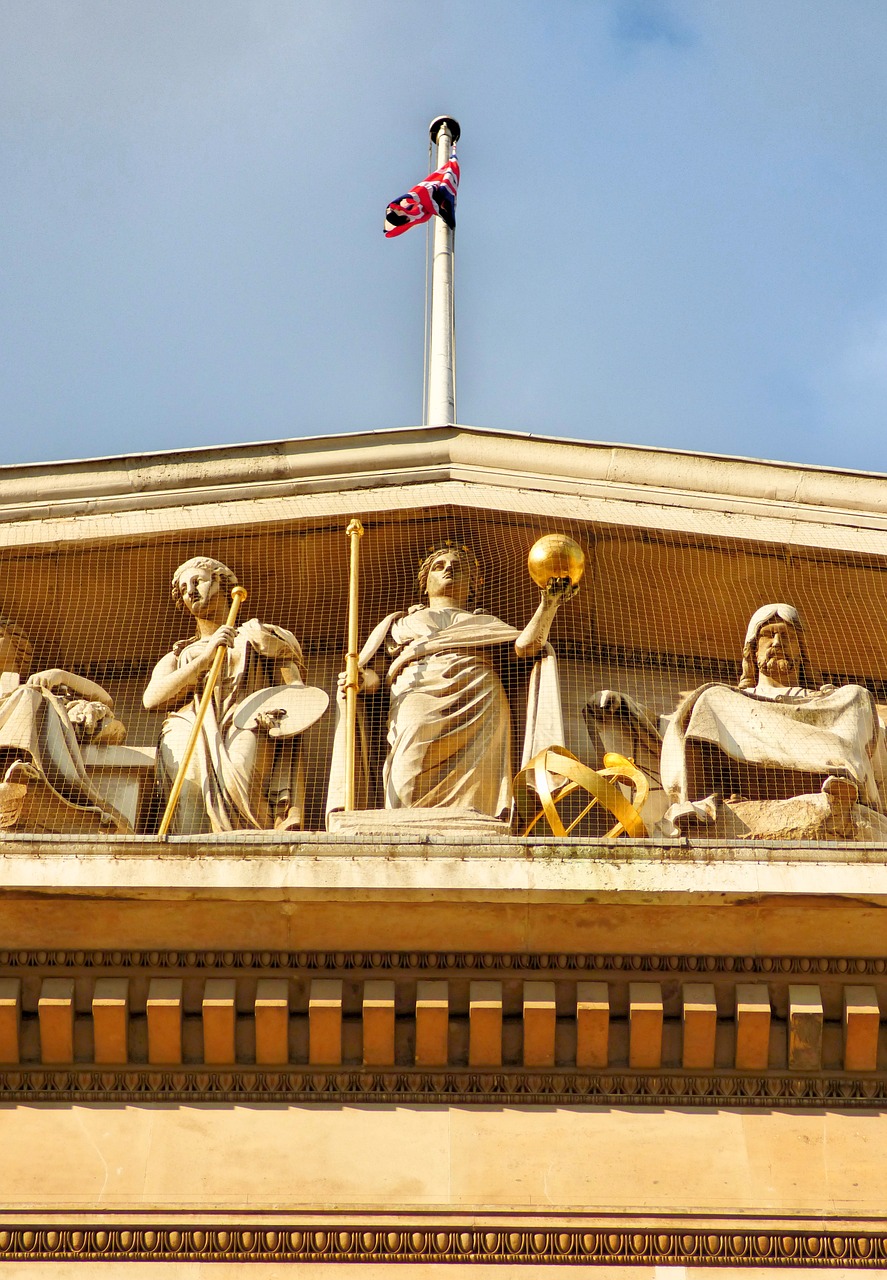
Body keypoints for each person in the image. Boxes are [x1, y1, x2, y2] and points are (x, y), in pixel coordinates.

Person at [326, 542, 574, 821]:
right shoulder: (398, 623)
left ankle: (480, 820)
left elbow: (528, 647)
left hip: (479, 695)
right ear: (425, 583)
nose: (449, 569)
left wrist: (548, 605)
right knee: (410, 758)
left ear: (473, 585)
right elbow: (378, 675)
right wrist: (360, 679)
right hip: (416, 693)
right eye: (439, 566)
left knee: (478, 778)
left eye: (459, 568)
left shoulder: (486, 623)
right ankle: (401, 821)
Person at [143, 557, 326, 834]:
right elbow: (152, 699)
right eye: (183, 589)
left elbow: (294, 690)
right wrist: (204, 658)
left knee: (240, 779)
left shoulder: (255, 636)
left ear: (221, 584)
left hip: (247, 717)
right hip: (190, 724)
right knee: (190, 790)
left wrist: (280, 710)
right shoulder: (180, 653)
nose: (190, 591)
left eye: (198, 581)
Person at [660, 603, 886, 822]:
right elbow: (675, 725)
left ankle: (843, 785)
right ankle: (702, 803)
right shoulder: (735, 702)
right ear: (753, 650)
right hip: (750, 774)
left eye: (786, 636)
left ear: (801, 650)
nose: (777, 643)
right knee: (709, 696)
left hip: (815, 770)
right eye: (768, 635)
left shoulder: (826, 700)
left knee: (858, 694)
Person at [0, 617, 130, 833]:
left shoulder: (37, 691)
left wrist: (61, 676)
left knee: (30, 695)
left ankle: (13, 773)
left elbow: (105, 700)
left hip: (28, 735)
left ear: (18, 646)